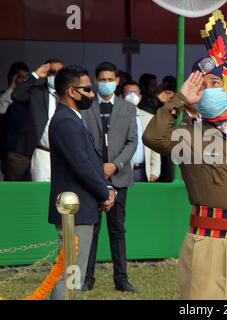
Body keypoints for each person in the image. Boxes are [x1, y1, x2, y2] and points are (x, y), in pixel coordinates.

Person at [143, 10, 227, 300]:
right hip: (210, 240)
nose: (210, 89)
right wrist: (181, 99)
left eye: (216, 83)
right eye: (204, 84)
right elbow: (153, 137)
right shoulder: (188, 134)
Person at [48, 65, 116, 300]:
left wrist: (105, 188)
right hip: (73, 213)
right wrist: (104, 193)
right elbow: (82, 167)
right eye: (87, 89)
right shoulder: (66, 122)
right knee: (69, 277)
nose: (92, 94)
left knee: (71, 276)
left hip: (80, 210)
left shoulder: (73, 119)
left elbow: (88, 163)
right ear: (71, 91)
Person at [82, 62, 138, 293]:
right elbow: (82, 141)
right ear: (96, 80)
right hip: (92, 178)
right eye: (102, 79)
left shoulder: (128, 108)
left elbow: (133, 141)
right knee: (90, 230)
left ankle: (121, 279)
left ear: (117, 81)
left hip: (120, 177)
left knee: (117, 230)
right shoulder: (86, 107)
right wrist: (97, 168)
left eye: (110, 79)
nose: (106, 83)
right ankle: (86, 278)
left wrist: (115, 165)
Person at [11, 59, 64, 181]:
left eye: (59, 73)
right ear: (46, 74)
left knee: (63, 196)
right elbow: (16, 95)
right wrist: (35, 75)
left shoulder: (69, 94)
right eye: (52, 72)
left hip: (64, 154)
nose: (55, 76)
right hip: (43, 153)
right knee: (41, 194)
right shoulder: (36, 92)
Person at [122, 80, 161, 182]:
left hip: (144, 171)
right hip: (122, 172)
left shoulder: (149, 118)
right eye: (129, 92)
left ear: (140, 97)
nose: (132, 95)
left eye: (135, 92)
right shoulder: (115, 118)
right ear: (121, 96)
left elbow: (154, 146)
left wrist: (155, 171)